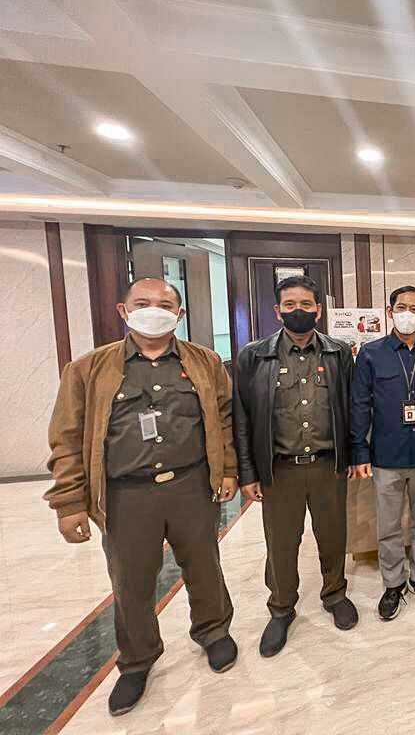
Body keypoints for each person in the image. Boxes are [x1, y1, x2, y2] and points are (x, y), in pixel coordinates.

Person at [45, 278, 238, 716]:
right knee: (131, 581)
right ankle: (137, 659)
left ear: (180, 315)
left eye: (165, 305)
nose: (154, 311)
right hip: (126, 493)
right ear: (123, 310)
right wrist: (69, 502)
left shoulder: (204, 362)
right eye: (143, 303)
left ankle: (213, 631)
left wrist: (227, 469)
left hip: (191, 485)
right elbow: (66, 438)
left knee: (204, 566)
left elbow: (223, 419)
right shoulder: (89, 369)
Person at [233, 275, 357, 658]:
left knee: (333, 536)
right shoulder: (254, 356)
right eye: (290, 305)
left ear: (318, 310)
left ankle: (335, 594)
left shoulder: (338, 353)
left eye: (306, 304)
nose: (298, 311)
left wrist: (353, 456)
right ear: (277, 310)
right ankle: (281, 607)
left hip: (328, 466)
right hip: (279, 470)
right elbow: (242, 418)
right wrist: (248, 472)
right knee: (282, 543)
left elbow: (351, 408)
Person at [352, 286, 415, 620]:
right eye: (401, 307)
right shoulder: (371, 353)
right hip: (385, 455)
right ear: (390, 310)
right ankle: (393, 583)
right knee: (389, 525)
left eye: (414, 308)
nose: (407, 313)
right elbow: (360, 405)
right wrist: (360, 451)